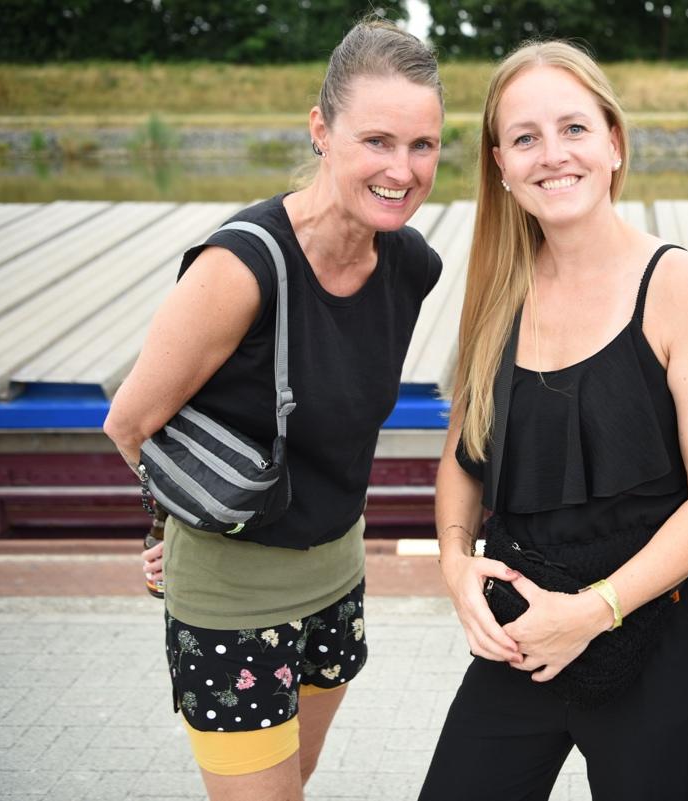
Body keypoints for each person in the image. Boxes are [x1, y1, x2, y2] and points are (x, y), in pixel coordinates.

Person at [103, 20, 444, 801]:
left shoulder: (410, 264)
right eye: (377, 141)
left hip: (338, 577)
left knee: (298, 779)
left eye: (423, 145)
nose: (402, 170)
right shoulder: (242, 266)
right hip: (231, 597)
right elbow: (129, 422)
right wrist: (168, 525)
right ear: (321, 130)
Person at [418, 41, 688, 801]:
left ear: (614, 143)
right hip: (523, 633)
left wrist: (595, 611)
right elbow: (463, 460)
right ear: (501, 164)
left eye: (574, 128)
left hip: (654, 635)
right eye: (525, 138)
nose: (552, 154)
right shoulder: (498, 289)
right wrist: (455, 564)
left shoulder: (680, 285)